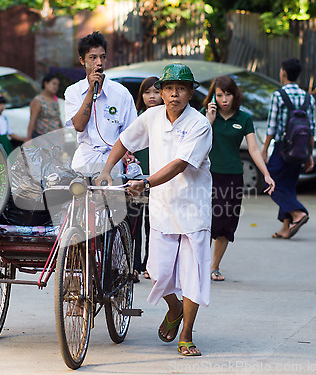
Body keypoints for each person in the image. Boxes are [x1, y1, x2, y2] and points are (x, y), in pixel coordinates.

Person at [97, 63, 212, 357]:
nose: (174, 94)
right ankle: (174, 309)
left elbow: (180, 164)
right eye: (169, 88)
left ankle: (186, 335)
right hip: (162, 207)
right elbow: (124, 140)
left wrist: (145, 182)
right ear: (160, 92)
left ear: (190, 93)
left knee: (193, 275)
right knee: (156, 272)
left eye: (181, 89)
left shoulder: (199, 124)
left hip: (193, 210)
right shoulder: (152, 116)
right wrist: (107, 170)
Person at [203, 76, 275, 281]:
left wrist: (266, 174)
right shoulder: (205, 115)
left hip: (233, 177)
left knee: (226, 224)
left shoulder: (244, 119)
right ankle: (198, 267)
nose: (224, 99)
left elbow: (253, 149)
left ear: (235, 95)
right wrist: (209, 120)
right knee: (206, 222)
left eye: (228, 94)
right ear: (213, 97)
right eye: (219, 95)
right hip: (208, 176)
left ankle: (214, 267)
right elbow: (196, 142)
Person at [64, 31, 137, 174]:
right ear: (82, 60)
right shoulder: (73, 91)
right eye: (93, 58)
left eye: (102, 57)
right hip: (85, 160)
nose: (99, 63)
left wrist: (126, 153)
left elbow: (131, 133)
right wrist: (91, 90)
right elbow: (78, 125)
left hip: (113, 161)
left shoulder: (121, 93)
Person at [261, 57, 315, 239]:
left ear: (283, 72)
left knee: (270, 182)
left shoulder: (279, 95)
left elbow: (272, 126)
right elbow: (311, 130)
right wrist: (310, 155)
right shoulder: (309, 98)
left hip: (282, 148)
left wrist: (264, 150)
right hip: (300, 150)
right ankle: (286, 228)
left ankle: (298, 213)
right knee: (289, 186)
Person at [130, 76, 163, 280]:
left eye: (156, 92)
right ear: (141, 96)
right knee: (134, 223)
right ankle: (133, 265)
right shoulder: (136, 118)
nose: (152, 96)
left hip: (159, 177)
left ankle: (150, 265)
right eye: (147, 92)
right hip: (137, 177)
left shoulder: (166, 118)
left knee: (154, 224)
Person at [26, 73, 62, 140]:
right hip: (43, 137)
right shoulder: (38, 100)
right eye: (54, 84)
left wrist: (63, 133)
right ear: (46, 83)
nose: (56, 87)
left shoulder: (55, 100)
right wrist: (28, 138)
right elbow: (32, 120)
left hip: (56, 137)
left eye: (57, 85)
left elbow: (58, 118)